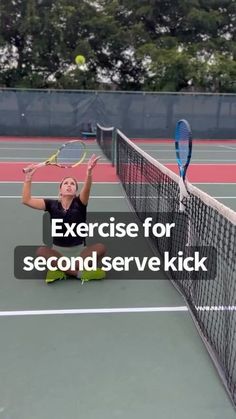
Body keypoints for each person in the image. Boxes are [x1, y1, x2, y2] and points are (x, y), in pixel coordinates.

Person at [22, 154, 106, 283]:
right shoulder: (51, 205)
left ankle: (61, 270)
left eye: (72, 184)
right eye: (65, 183)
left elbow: (87, 188)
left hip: (80, 253)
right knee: (41, 251)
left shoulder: (80, 203)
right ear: (60, 190)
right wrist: (28, 178)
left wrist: (89, 173)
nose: (69, 185)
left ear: (76, 191)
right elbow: (26, 200)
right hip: (59, 253)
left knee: (100, 247)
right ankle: (79, 273)